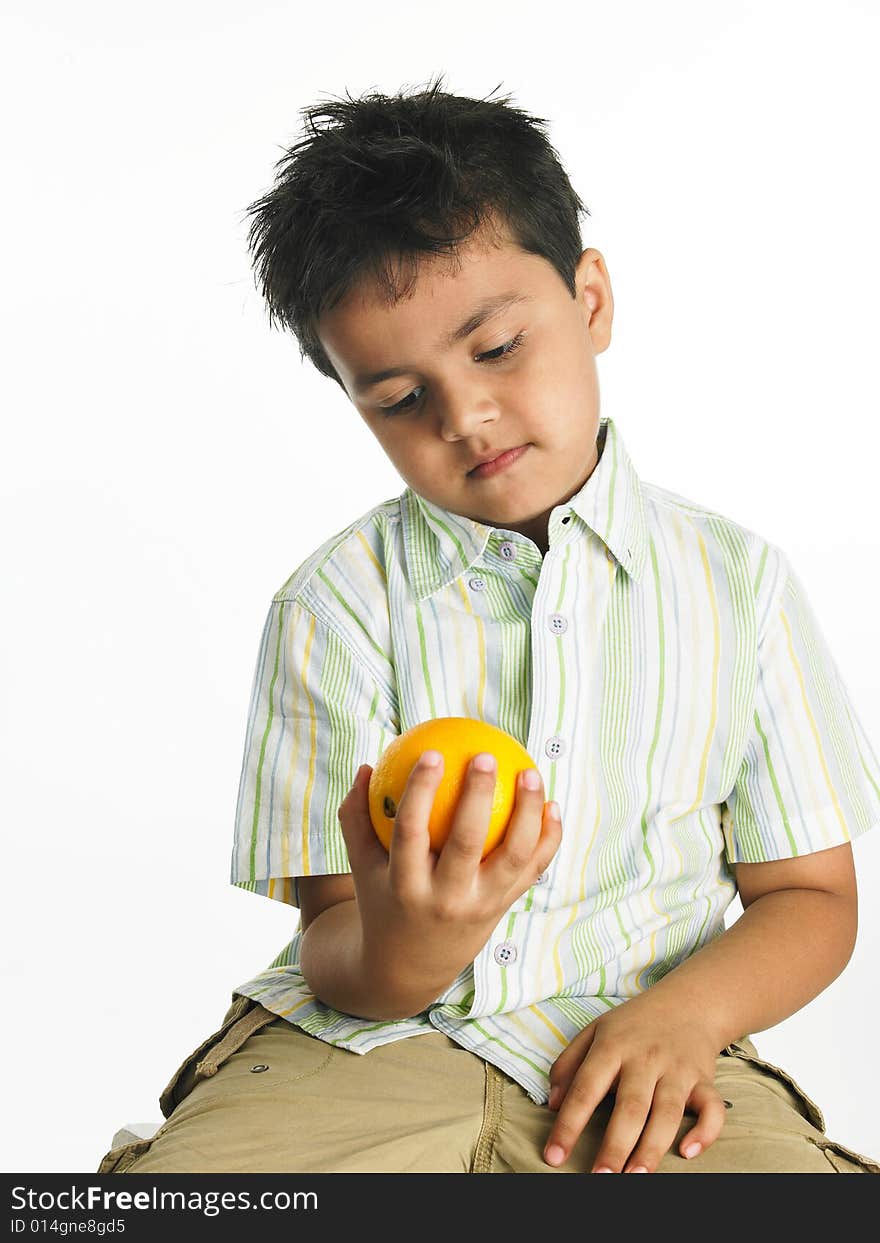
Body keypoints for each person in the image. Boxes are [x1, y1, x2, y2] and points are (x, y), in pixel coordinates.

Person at [99, 75, 880, 1175]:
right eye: (398, 398)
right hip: (357, 1049)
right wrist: (406, 952)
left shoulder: (736, 583)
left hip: (645, 1046)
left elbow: (810, 896)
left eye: (497, 348)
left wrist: (691, 1017)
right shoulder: (334, 604)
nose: (462, 415)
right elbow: (333, 936)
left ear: (590, 300)